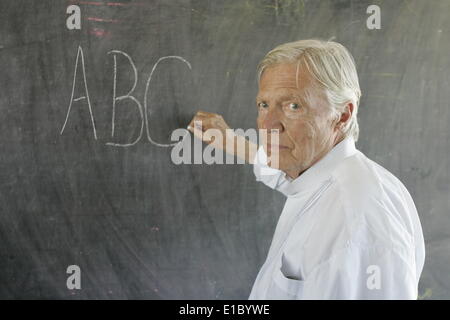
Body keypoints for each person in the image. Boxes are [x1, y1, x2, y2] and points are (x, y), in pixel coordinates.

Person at [188, 39, 425, 299]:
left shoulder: (356, 220)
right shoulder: (319, 175)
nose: (267, 125)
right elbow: (286, 177)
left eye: (293, 106)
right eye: (263, 105)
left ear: (342, 116)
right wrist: (230, 141)